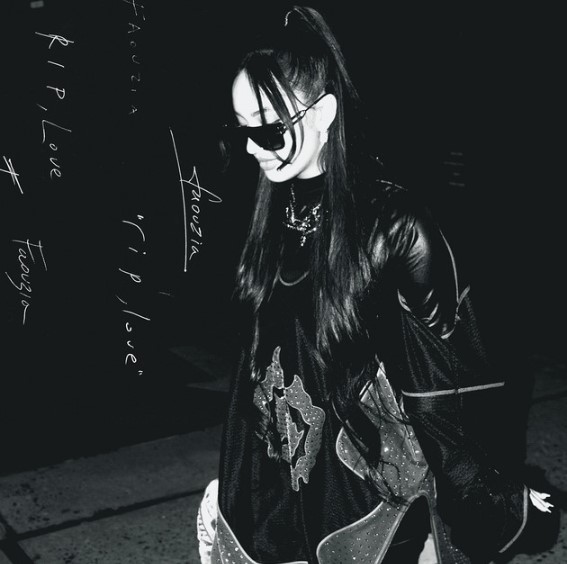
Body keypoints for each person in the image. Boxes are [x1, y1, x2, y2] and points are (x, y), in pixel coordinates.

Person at [197, 5, 559, 563]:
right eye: (240, 129)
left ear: (324, 114)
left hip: (363, 493)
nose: (251, 147)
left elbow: (448, 380)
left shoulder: (394, 225)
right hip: (277, 476)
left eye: (267, 129)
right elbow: (258, 364)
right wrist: (239, 482)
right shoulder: (271, 207)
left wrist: (492, 493)